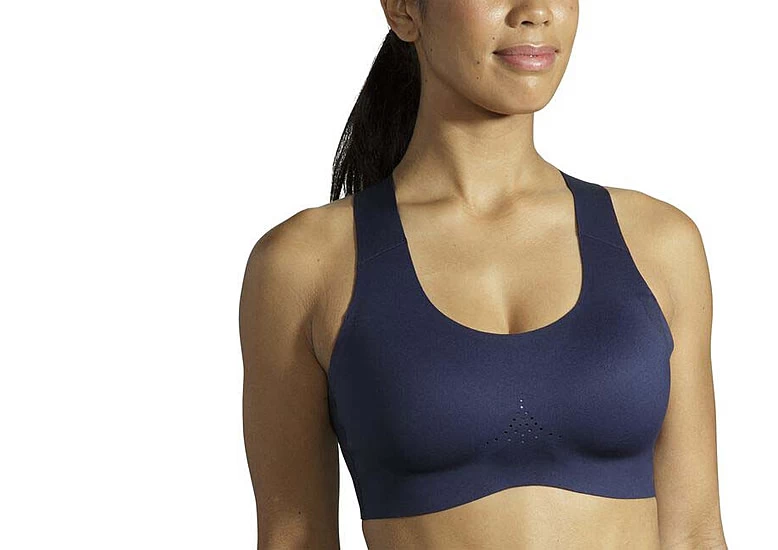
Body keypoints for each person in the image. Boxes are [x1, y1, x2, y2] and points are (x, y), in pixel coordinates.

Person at [240, 1, 726, 548]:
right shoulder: (306, 263)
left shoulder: (658, 244)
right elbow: (295, 536)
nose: (535, 10)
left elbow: (695, 533)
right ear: (403, 11)